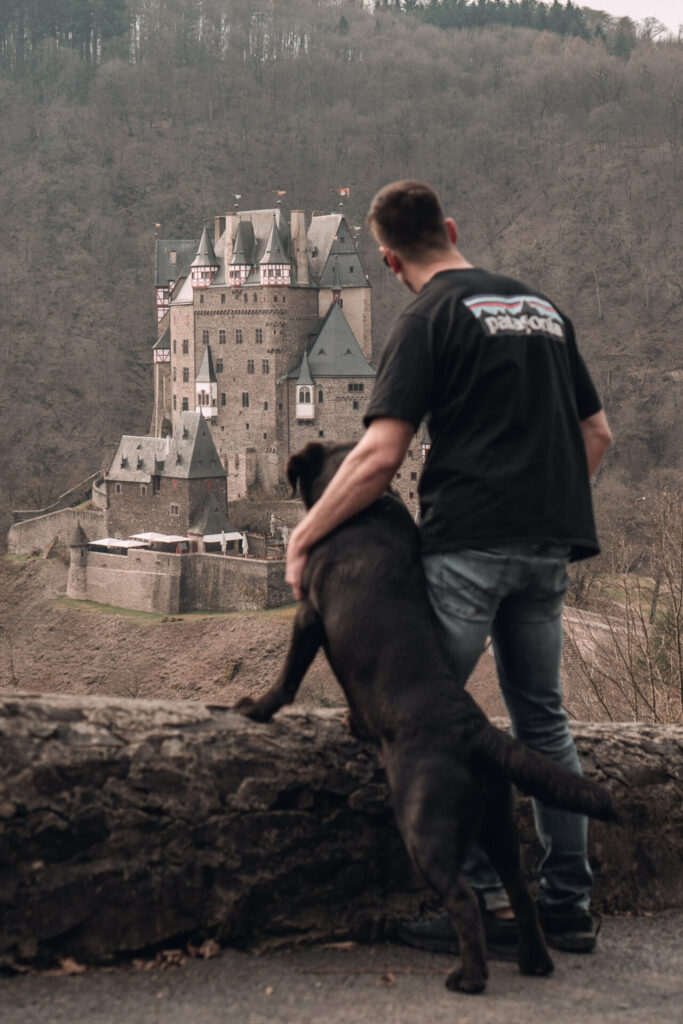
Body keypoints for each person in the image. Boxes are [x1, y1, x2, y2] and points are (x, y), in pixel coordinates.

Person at [285, 180, 612, 954]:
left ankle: (487, 903)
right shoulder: (538, 309)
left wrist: (304, 537)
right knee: (542, 721)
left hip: (469, 544)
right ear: (453, 229)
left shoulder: (428, 317)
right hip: (549, 544)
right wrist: (542, 505)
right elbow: (595, 432)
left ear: (390, 260)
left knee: (424, 718)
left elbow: (376, 457)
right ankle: (567, 904)